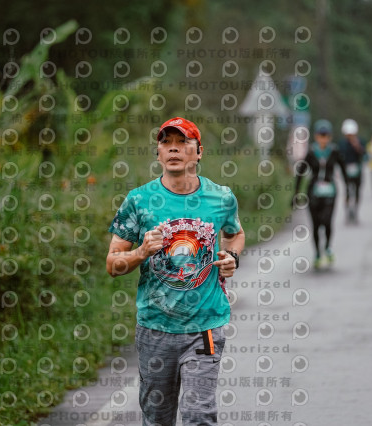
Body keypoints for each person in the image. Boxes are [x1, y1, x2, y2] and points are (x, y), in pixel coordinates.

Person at [106, 117, 245, 426]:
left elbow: (235, 233)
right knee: (158, 418)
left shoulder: (221, 198)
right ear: (158, 153)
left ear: (199, 152)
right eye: (166, 142)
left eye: (183, 142)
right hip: (155, 328)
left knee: (199, 415)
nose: (173, 149)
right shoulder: (138, 201)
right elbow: (112, 264)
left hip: (205, 326)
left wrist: (232, 256)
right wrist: (141, 252)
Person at [292, 119, 348, 269]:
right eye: (321, 135)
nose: (323, 138)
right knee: (316, 224)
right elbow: (300, 172)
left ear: (330, 136)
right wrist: (296, 193)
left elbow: (343, 170)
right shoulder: (311, 152)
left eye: (326, 135)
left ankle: (328, 247)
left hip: (330, 191)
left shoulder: (334, 151)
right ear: (316, 136)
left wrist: (348, 191)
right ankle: (317, 253)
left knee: (327, 221)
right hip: (314, 191)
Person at [338, 118, 365, 223]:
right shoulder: (342, 143)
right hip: (346, 170)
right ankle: (347, 211)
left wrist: (356, 145)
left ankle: (356, 211)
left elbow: (363, 154)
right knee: (347, 191)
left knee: (357, 190)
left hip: (357, 169)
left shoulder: (360, 141)